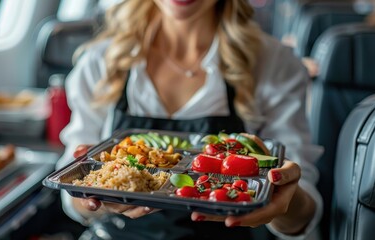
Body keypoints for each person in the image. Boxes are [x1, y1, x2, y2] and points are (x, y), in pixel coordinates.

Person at [56, 0, 323, 239]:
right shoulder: (100, 62)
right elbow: (73, 196)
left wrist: (283, 200)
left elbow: (302, 217)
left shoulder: (275, 63)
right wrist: (95, 197)